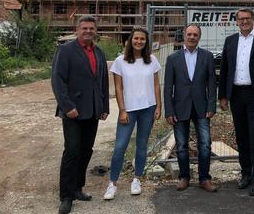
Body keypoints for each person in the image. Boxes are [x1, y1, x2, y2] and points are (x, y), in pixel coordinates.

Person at [52, 15, 109, 214]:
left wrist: (104, 107)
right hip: (73, 112)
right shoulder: (65, 50)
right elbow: (58, 81)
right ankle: (66, 196)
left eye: (91, 28)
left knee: (86, 150)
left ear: (95, 31)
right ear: (77, 30)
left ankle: (77, 188)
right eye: (84, 28)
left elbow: (102, 82)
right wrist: (67, 106)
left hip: (92, 110)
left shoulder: (99, 53)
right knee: (72, 151)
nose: (88, 31)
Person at [218, 8, 254, 196]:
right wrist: (223, 96)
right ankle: (245, 174)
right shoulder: (230, 41)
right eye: (241, 19)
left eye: (247, 18)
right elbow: (225, 70)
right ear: (236, 21)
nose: (244, 21)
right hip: (236, 95)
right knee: (242, 137)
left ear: (253, 19)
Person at [103, 27, 162, 200]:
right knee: (120, 146)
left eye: (142, 39)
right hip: (128, 110)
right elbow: (118, 88)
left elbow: (157, 85)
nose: (139, 41)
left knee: (142, 146)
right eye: (136, 38)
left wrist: (159, 106)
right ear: (130, 40)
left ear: (146, 42)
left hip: (148, 108)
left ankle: (137, 179)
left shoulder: (152, 60)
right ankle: (112, 183)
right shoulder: (120, 61)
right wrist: (122, 110)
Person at [164, 24, 218, 192]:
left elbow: (211, 83)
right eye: (189, 34)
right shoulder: (173, 58)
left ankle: (204, 178)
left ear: (199, 37)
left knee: (205, 145)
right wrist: (169, 110)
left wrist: (211, 105)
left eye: (195, 34)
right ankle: (184, 177)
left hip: (202, 108)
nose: (192, 37)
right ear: (184, 36)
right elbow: (168, 87)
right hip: (180, 108)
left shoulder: (208, 56)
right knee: (181, 145)